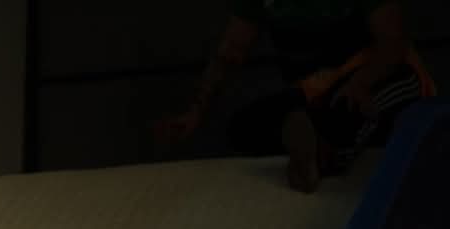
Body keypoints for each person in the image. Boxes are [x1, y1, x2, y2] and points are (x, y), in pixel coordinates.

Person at [156, 1, 434, 192]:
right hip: (315, 92)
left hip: (374, 78)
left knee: (355, 108)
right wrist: (197, 109)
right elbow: (231, 50)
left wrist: (362, 81)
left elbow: (392, 42)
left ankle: (324, 149)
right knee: (243, 127)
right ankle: (315, 138)